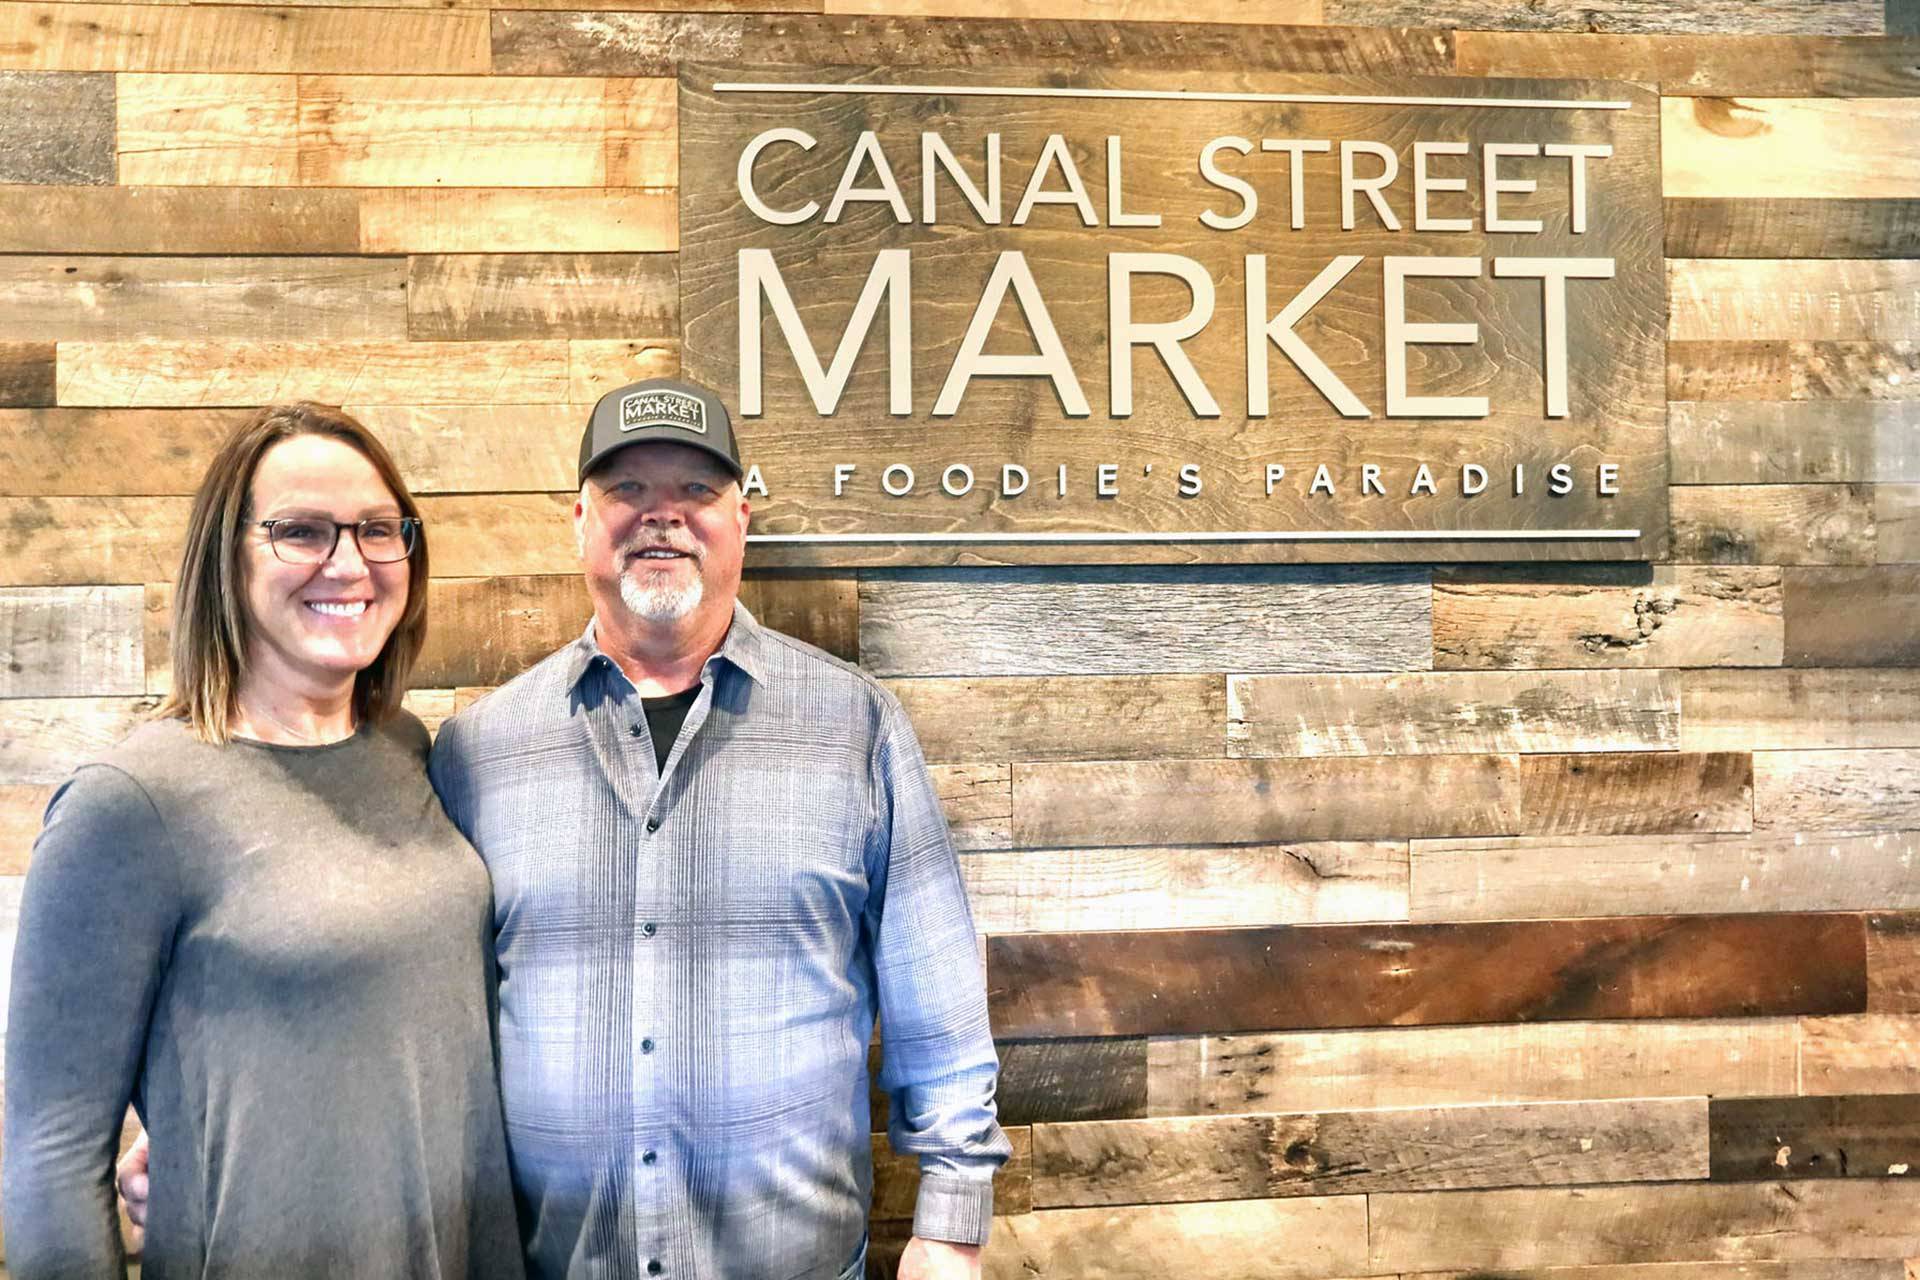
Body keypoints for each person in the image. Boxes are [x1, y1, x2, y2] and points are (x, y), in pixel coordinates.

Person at [426, 377, 1011, 1280]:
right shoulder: (477, 752)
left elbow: (935, 997)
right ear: (579, 519)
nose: (662, 517)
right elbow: (425, 1017)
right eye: (628, 491)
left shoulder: (853, 726)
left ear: (743, 517)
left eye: (696, 491)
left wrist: (951, 1222)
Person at [4, 404, 524, 1279]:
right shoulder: (129, 805)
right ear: (226, 556)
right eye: (301, 532)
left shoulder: (406, 750)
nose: (349, 562)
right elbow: (49, 1157)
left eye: (375, 530)